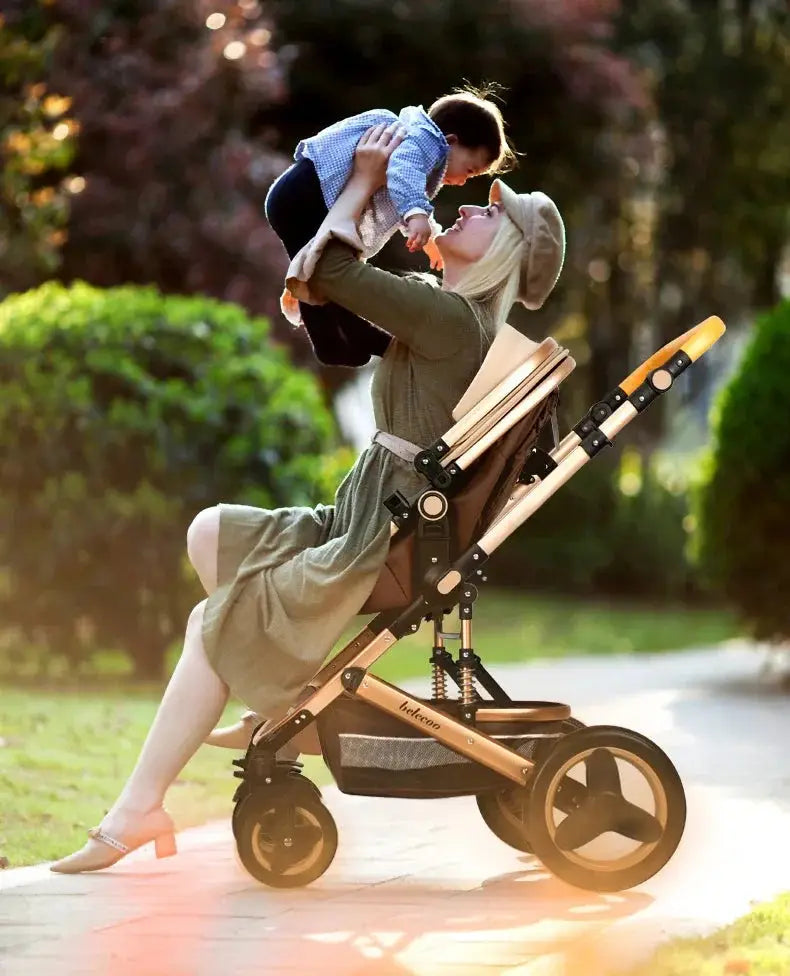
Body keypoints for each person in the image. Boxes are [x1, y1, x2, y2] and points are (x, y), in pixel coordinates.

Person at [50, 122, 565, 873]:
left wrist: (360, 186)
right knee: (210, 534)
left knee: (210, 620)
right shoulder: (435, 303)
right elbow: (317, 283)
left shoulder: (452, 320)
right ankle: (271, 690)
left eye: (490, 213)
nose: (468, 208)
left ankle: (139, 808)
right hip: (367, 512)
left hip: (379, 538)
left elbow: (320, 269)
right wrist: (340, 238)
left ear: (504, 252)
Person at [266, 86, 516, 368]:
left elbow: (400, 191)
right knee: (325, 268)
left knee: (316, 270)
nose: (462, 181)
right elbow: (402, 175)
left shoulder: (417, 142)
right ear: (450, 141)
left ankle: (332, 341)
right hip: (302, 196)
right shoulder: (422, 143)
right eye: (469, 171)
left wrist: (430, 235)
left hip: (296, 197)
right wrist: (416, 215)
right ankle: (348, 334)